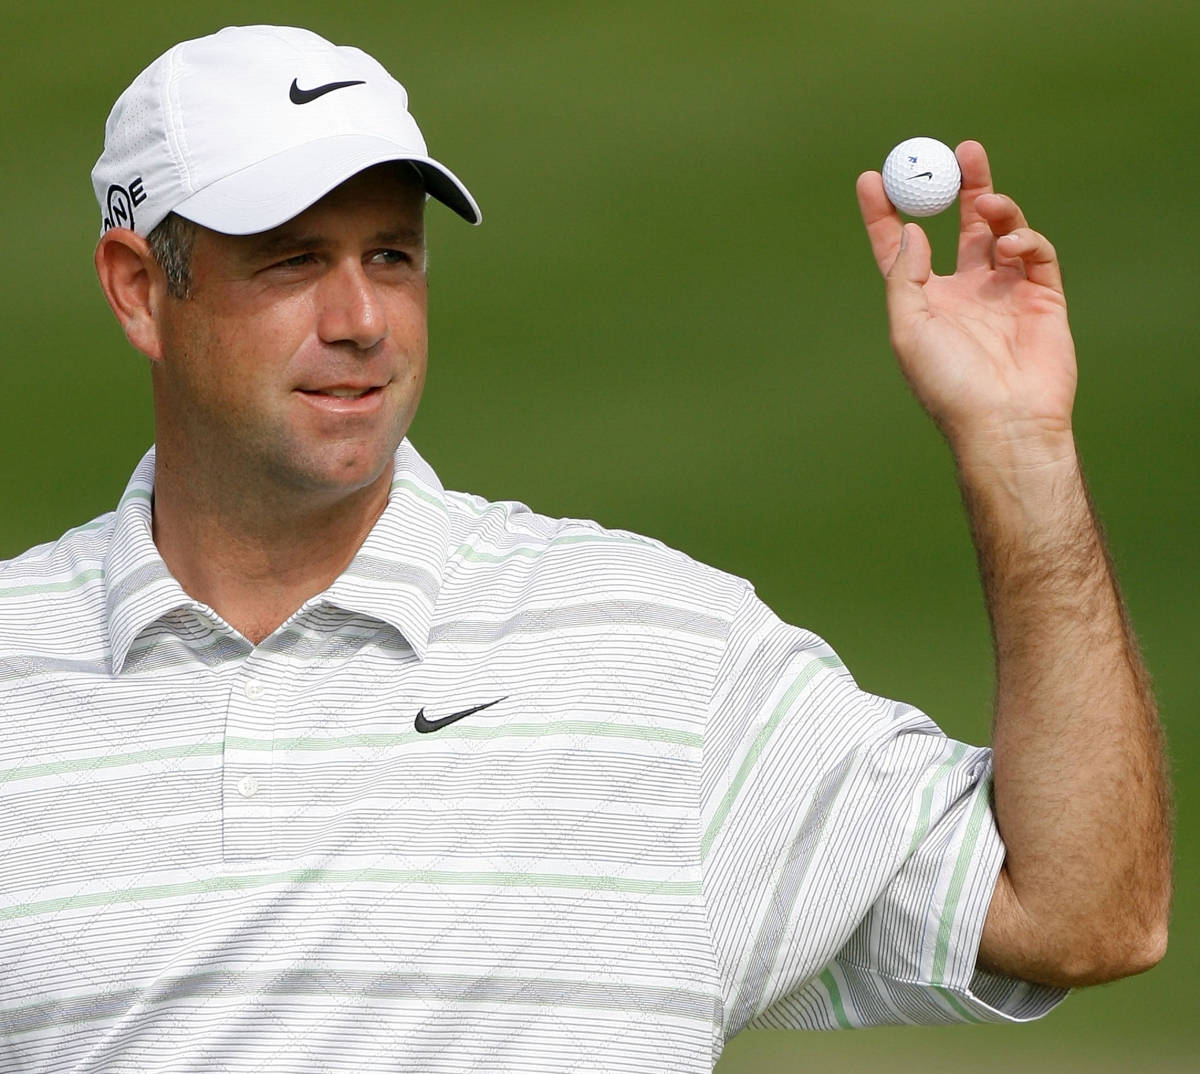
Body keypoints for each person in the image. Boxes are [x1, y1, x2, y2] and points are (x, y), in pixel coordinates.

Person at [0, 23, 1170, 1073]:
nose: (360, 321)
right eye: (295, 260)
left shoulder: (663, 653)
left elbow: (1086, 915)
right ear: (140, 291)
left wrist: (1020, 451)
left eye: (392, 256)